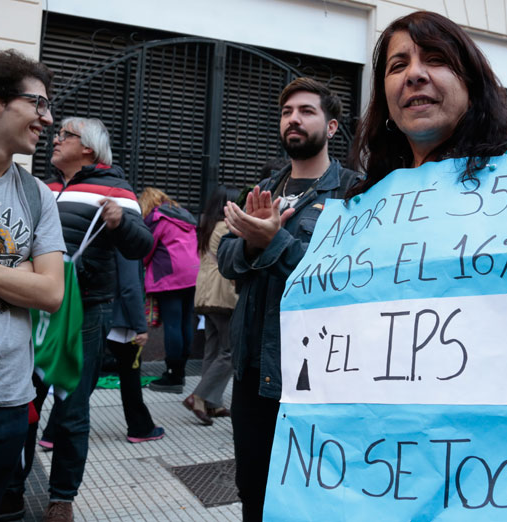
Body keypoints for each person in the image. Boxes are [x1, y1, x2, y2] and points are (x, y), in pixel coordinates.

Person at [346, 10, 507, 497]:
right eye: (397, 65)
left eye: (435, 59)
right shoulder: (363, 203)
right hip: (370, 469)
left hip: (486, 477)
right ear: (385, 99)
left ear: (471, 82)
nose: (414, 74)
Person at [217, 77, 358, 521]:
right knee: (254, 490)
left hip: (319, 374)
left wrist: (273, 241)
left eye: (306, 111)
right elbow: (226, 260)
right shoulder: (265, 188)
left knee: (314, 495)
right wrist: (253, 243)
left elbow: (343, 277)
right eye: (286, 112)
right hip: (252, 371)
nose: (293, 119)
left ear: (331, 127)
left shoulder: (353, 192)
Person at [4, 116, 153, 522]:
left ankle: (61, 498)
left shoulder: (116, 189)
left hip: (86, 310)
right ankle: (11, 490)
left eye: (64, 135)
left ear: (88, 147)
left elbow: (142, 246)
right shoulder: (44, 188)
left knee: (71, 408)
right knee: (22, 402)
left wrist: (120, 223)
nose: (54, 139)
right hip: (34, 307)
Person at [0, 49, 65, 517]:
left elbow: (52, 293)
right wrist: (20, 273)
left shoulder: (37, 194)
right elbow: (35, 283)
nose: (48, 118)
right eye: (37, 103)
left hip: (8, 397)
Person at [183, 185, 239, 426]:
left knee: (213, 349)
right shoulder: (226, 227)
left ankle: (211, 403)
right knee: (230, 351)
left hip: (206, 294)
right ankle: (199, 396)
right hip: (223, 293)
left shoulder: (207, 227)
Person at [139, 187, 200, 394]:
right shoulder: (185, 216)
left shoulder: (157, 218)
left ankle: (173, 375)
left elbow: (146, 248)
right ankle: (180, 370)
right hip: (192, 273)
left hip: (169, 275)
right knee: (185, 322)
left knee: (172, 324)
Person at [107, 251, 165, 443]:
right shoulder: (127, 243)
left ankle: (53, 432)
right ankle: (140, 427)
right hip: (121, 320)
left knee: (84, 378)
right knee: (130, 375)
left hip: (97, 312)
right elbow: (130, 286)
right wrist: (140, 326)